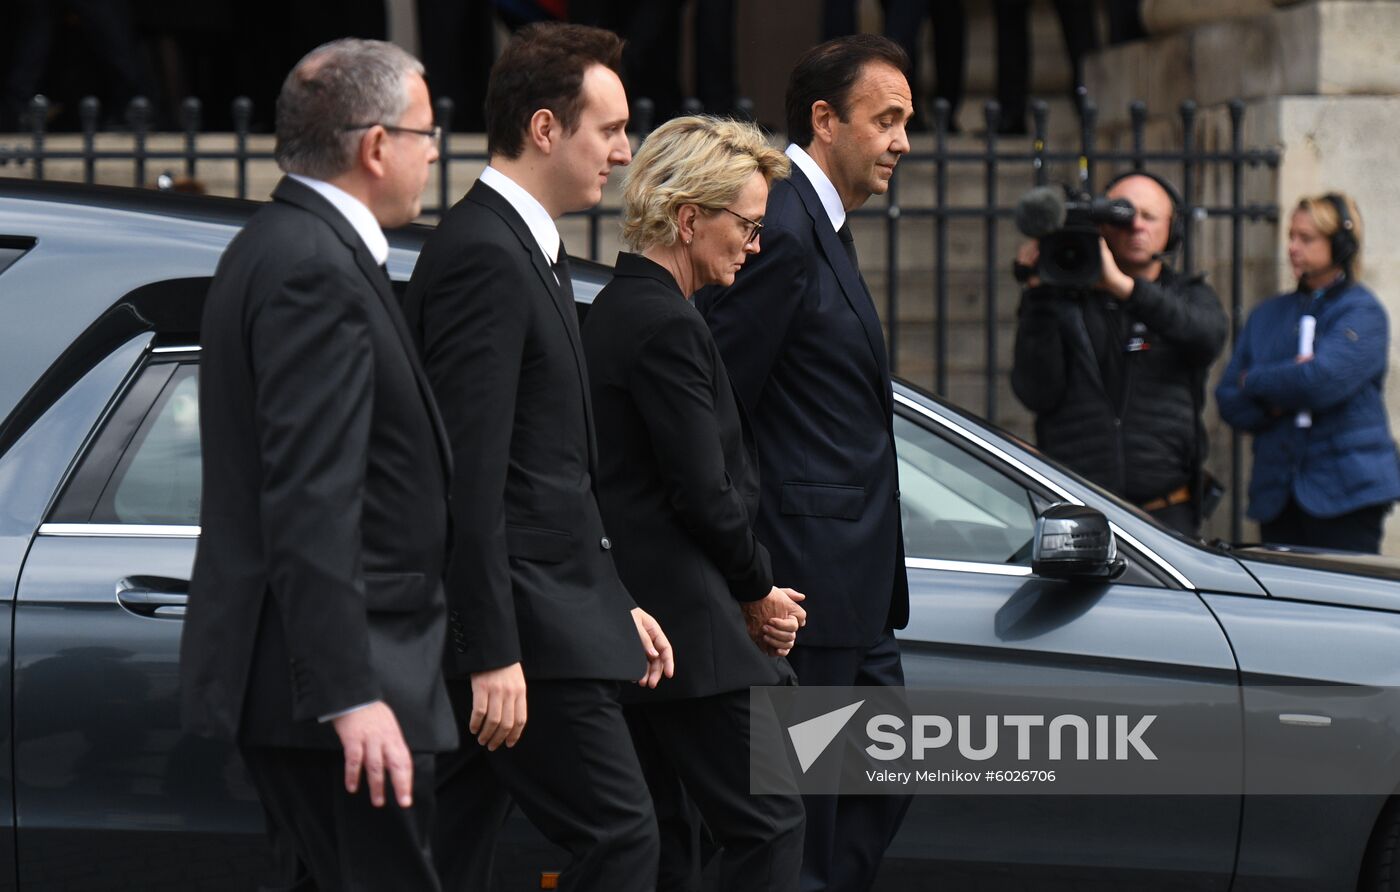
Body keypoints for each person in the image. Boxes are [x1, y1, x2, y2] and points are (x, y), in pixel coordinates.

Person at [401, 22, 673, 892]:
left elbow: (549, 465)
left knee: (443, 856)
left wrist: (610, 602)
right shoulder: (484, 254)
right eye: (611, 129)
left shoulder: (528, 249)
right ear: (547, 129)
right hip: (523, 639)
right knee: (623, 839)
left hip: (551, 618)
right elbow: (468, 473)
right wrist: (489, 650)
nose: (626, 153)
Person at [181, 38, 454, 891]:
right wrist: (350, 694)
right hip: (345, 694)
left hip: (329, 688)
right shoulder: (312, 268)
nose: (436, 149)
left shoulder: (278, 245)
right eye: (426, 130)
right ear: (376, 146)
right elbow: (311, 495)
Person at [694, 34, 914, 892]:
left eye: (907, 122)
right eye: (885, 120)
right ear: (824, 120)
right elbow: (720, 403)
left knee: (876, 787)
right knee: (804, 829)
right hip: (803, 589)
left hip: (852, 594)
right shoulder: (779, 225)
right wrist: (751, 576)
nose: (902, 140)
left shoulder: (815, 223)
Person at [582, 114, 806, 892]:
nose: (754, 242)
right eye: (745, 224)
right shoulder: (662, 323)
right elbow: (702, 491)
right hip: (692, 638)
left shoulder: (618, 308)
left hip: (648, 631)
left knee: (668, 843)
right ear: (688, 219)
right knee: (769, 826)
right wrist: (758, 590)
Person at [1010, 171, 1228, 536]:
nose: (1136, 226)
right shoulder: (1061, 298)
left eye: (1150, 217)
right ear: (1103, 226)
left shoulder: (1189, 296)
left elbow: (1205, 337)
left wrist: (1123, 288)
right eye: (1125, 216)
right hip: (1079, 507)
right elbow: (1035, 391)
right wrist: (1039, 295)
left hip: (1167, 510)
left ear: (1172, 229)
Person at [1217, 193, 1400, 553]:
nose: (1293, 248)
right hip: (1278, 495)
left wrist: (1254, 380)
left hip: (1347, 494)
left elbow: (1320, 382)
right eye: (1291, 236)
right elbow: (1228, 399)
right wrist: (1275, 399)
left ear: (1341, 245)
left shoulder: (1362, 312)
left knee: (1346, 602)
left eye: (1306, 238)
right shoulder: (1268, 314)